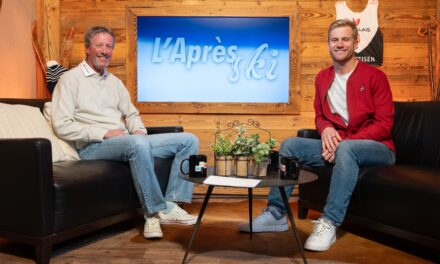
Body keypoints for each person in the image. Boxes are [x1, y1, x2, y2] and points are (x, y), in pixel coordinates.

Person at [238, 19, 395, 251]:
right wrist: (326, 130)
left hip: (378, 148)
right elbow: (320, 116)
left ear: (356, 41)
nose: (339, 44)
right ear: (329, 44)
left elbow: (384, 124)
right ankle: (277, 212)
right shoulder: (322, 77)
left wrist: (343, 142)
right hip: (341, 146)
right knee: (291, 144)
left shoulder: (375, 77)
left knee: (346, 149)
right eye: (334, 40)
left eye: (345, 39)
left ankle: (329, 222)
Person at [51, 26, 199, 240]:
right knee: (137, 144)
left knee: (188, 140)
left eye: (109, 46)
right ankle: (152, 213)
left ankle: (172, 204)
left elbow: (131, 114)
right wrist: (103, 132)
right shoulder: (70, 80)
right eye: (99, 45)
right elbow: (62, 124)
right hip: (92, 146)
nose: (104, 50)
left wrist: (138, 128)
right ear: (87, 49)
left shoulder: (114, 82)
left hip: (125, 140)